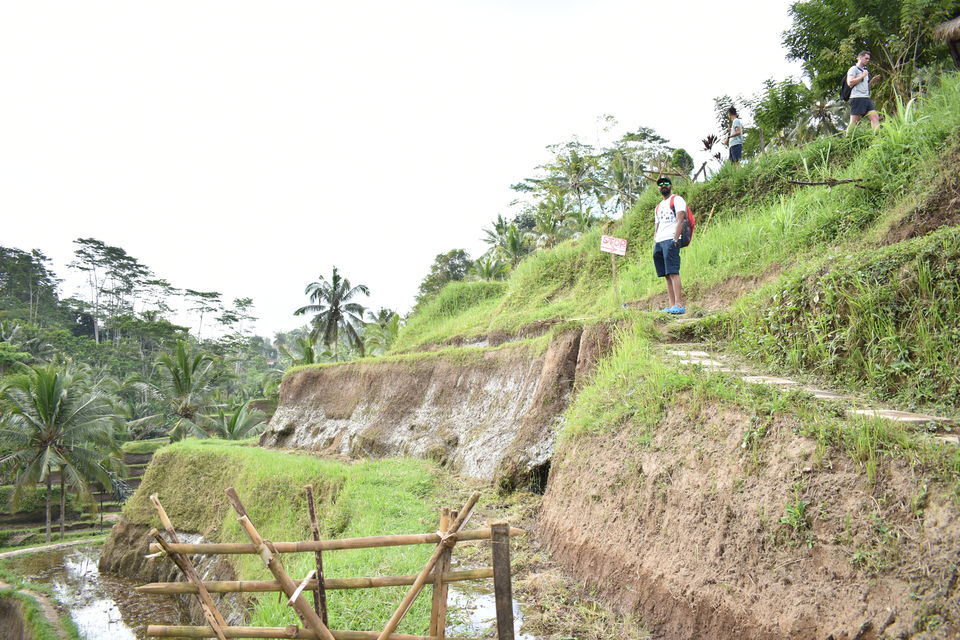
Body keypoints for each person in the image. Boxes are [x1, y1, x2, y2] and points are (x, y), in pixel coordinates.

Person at [653, 176, 686, 314]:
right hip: (659, 242)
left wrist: (676, 239)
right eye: (660, 184)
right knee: (666, 274)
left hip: (671, 239)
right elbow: (657, 225)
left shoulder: (677, 199)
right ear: (658, 188)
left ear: (671, 185)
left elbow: (681, 220)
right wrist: (655, 241)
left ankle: (678, 304)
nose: (663, 185)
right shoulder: (658, 206)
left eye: (666, 183)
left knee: (673, 272)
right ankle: (672, 305)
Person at [847, 51, 880, 130]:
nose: (867, 60)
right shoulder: (853, 69)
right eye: (866, 58)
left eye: (868, 59)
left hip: (866, 98)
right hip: (857, 98)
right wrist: (862, 76)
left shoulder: (865, 71)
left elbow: (866, 87)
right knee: (854, 122)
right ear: (859, 58)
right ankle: (847, 139)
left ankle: (878, 139)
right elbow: (850, 82)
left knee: (875, 117)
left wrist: (872, 81)